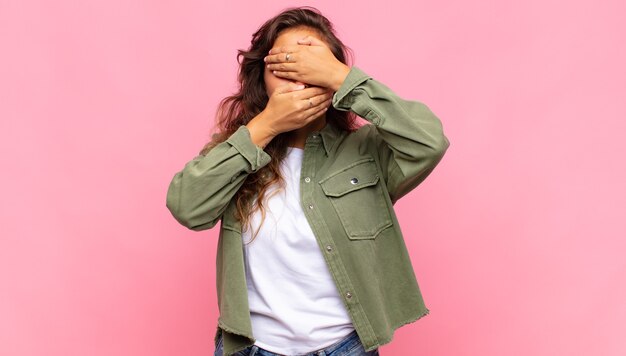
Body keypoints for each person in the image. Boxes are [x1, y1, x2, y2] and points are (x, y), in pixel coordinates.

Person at [166, 6, 450, 356]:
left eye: (312, 64)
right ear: (262, 78)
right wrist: (266, 125)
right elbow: (187, 207)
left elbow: (429, 142)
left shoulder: (367, 151)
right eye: (284, 65)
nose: (299, 78)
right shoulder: (239, 149)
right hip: (251, 349)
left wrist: (344, 79)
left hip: (345, 347)